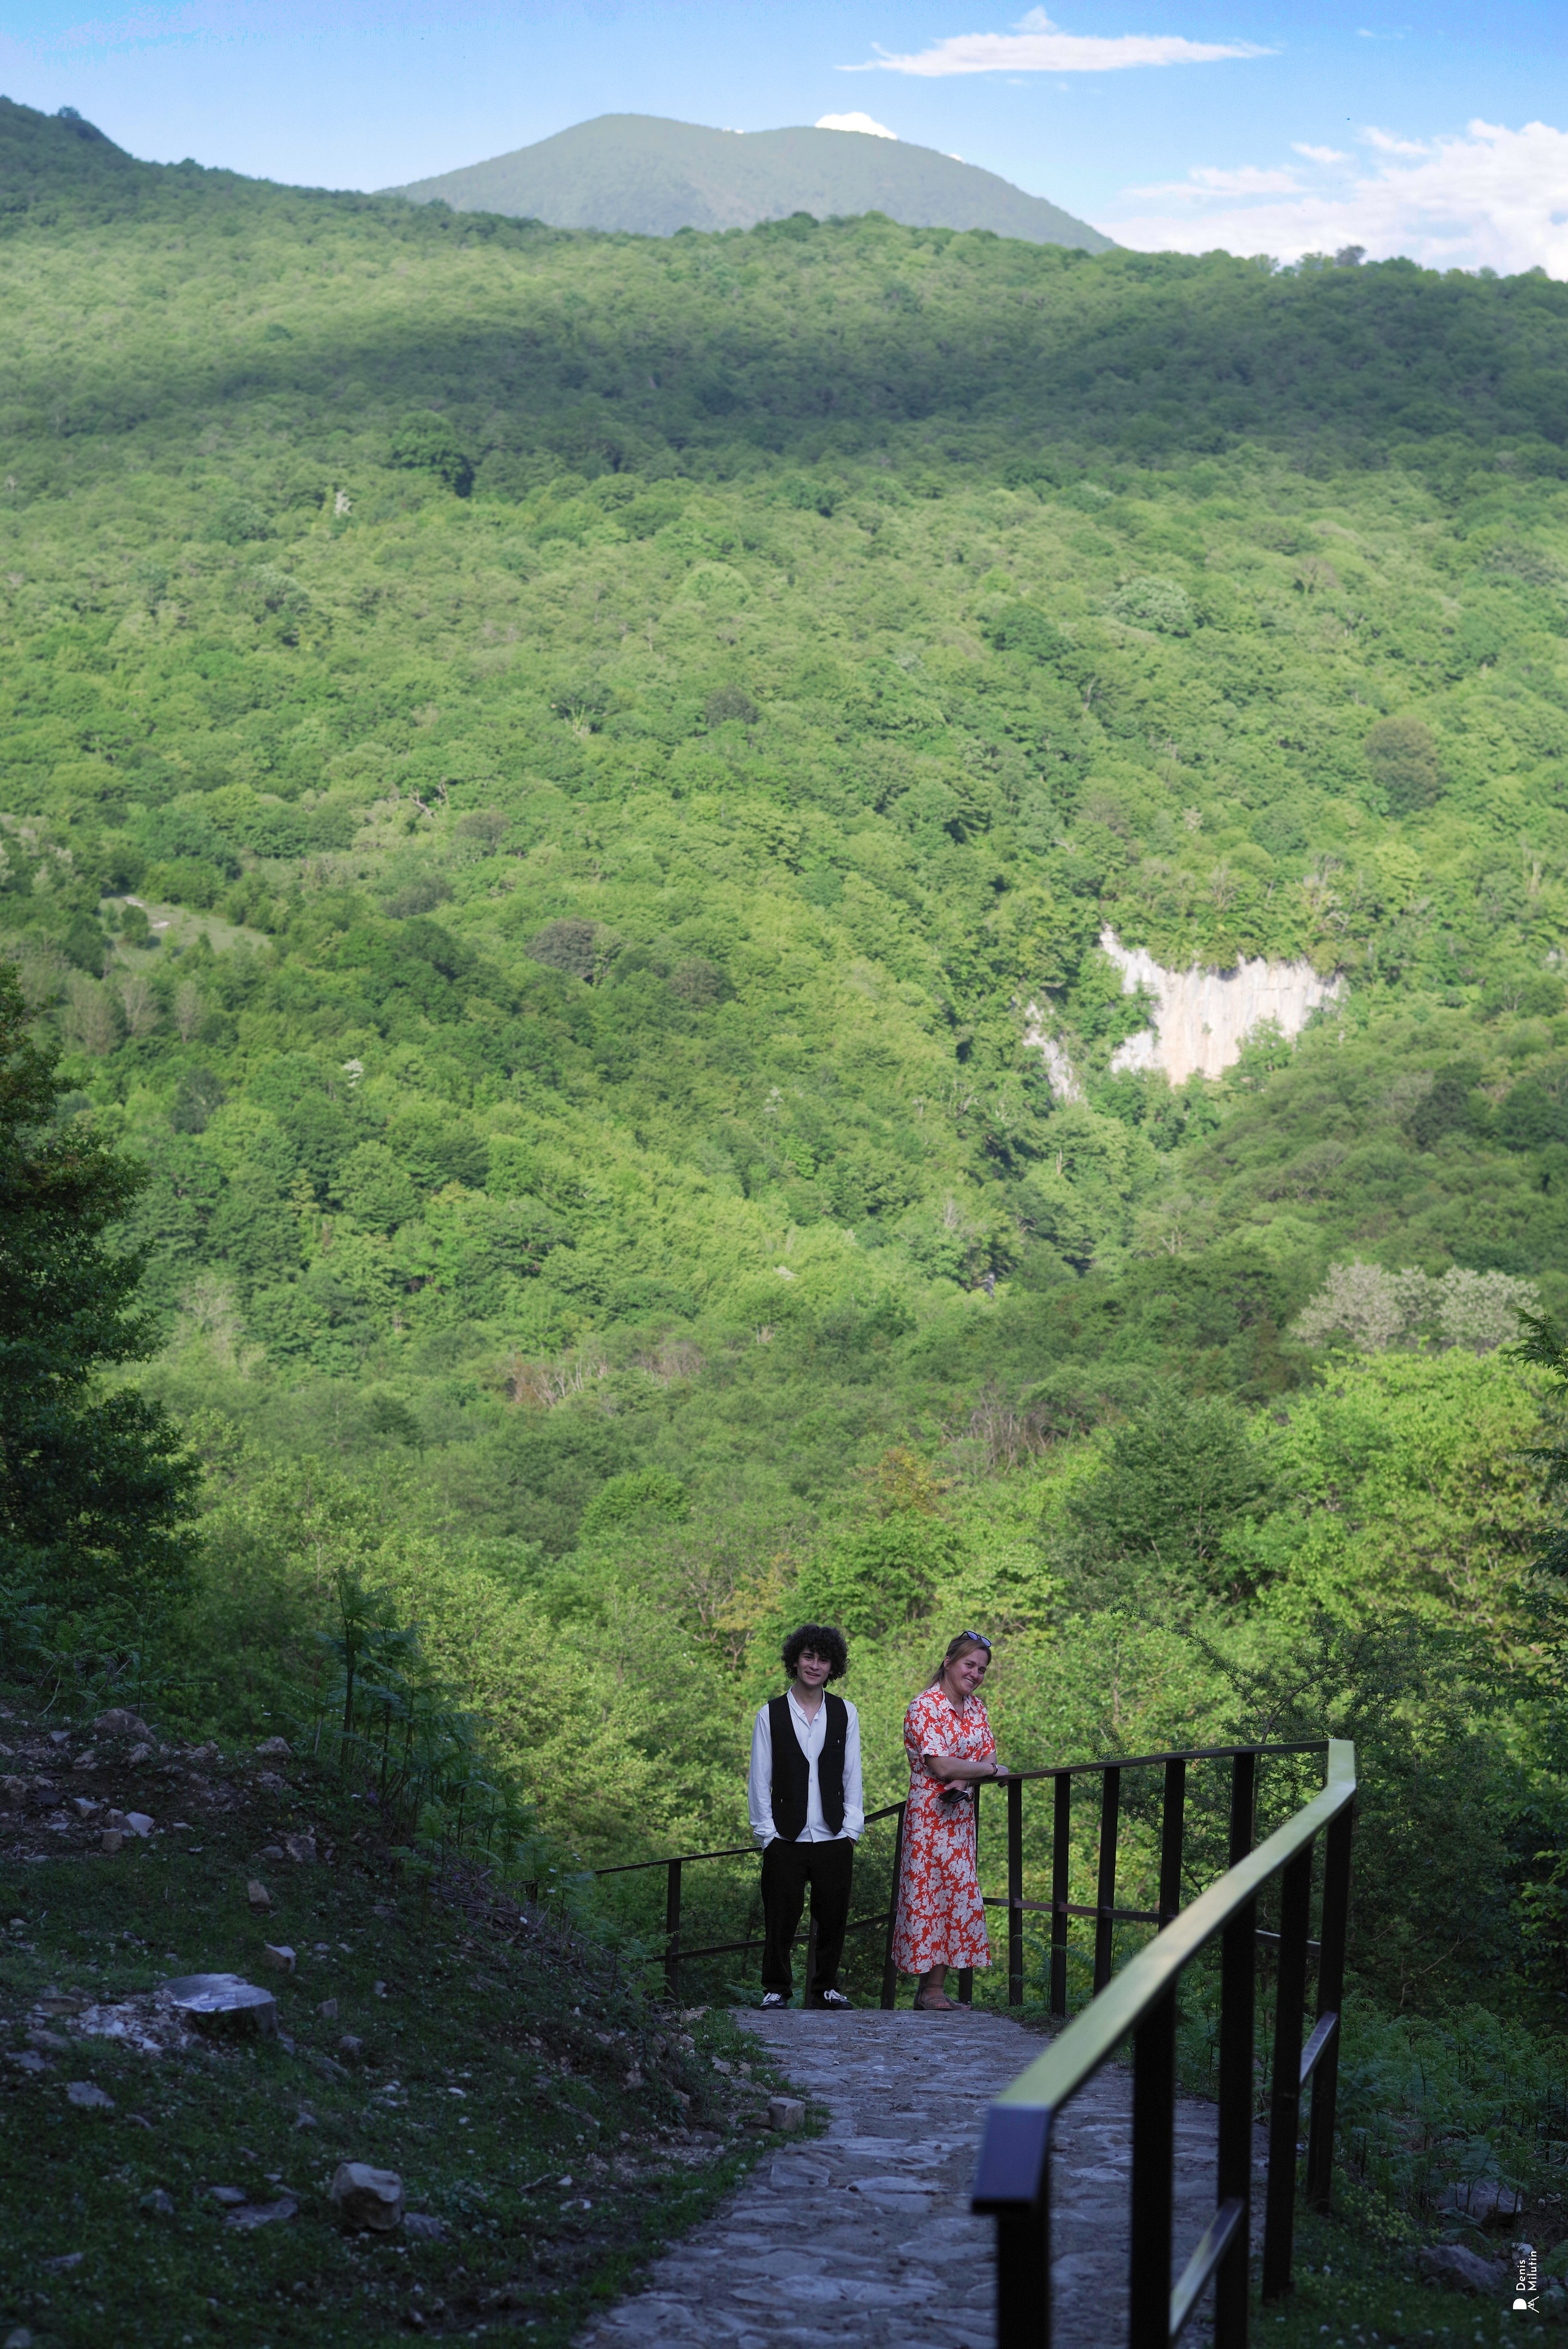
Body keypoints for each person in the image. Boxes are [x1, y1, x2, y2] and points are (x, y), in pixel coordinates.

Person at [748, 1621, 864, 2010]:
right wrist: (767, 1834)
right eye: (808, 1656)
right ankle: (777, 1989)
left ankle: (825, 1989)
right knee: (780, 1918)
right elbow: (759, 1778)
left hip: (834, 1834)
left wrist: (851, 1829)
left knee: (833, 1918)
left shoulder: (846, 1712)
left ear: (834, 1667)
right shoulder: (771, 1714)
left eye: (823, 1659)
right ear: (795, 1661)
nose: (815, 1665)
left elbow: (852, 1774)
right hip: (785, 1835)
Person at [891, 1631, 1009, 2012]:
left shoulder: (977, 1708)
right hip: (929, 1817)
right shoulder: (924, 1707)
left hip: (958, 1817)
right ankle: (928, 1992)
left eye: (982, 1669)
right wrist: (981, 1771)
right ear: (949, 1662)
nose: (975, 1674)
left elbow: (989, 1753)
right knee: (930, 1899)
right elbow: (940, 1765)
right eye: (969, 1665)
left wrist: (966, 1777)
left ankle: (934, 1990)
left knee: (957, 1897)